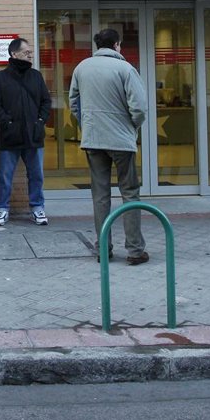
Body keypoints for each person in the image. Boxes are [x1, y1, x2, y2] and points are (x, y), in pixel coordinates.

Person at [68, 28, 149, 265]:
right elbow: (139, 107)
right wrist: (132, 127)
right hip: (121, 141)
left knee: (100, 195)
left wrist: (87, 124)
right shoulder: (125, 69)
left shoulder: (82, 68)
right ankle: (135, 250)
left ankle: (103, 248)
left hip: (93, 139)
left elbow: (74, 102)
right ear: (116, 45)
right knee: (130, 192)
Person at [0, 37, 52, 227]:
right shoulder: (1, 77)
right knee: (5, 176)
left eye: (30, 52)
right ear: (14, 54)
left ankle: (37, 207)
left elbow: (46, 101)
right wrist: (7, 122)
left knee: (36, 175)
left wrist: (40, 122)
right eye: (26, 52)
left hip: (34, 136)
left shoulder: (36, 76)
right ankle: (2, 208)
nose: (30, 55)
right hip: (10, 136)